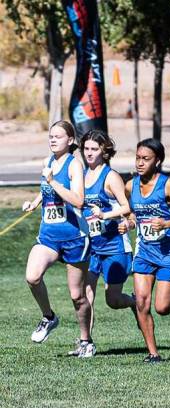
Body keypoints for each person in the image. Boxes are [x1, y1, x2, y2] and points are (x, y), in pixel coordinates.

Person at [120, 139, 170, 362]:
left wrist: (165, 224)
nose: (140, 163)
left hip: (169, 253)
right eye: (138, 158)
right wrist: (129, 223)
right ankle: (153, 353)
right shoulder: (130, 186)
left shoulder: (167, 185)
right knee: (141, 303)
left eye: (146, 159)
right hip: (145, 252)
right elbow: (132, 213)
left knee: (162, 308)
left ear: (158, 161)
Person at [22, 120, 92, 354]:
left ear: (70, 141)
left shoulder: (74, 165)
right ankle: (48, 316)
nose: (52, 139)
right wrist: (34, 202)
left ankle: (85, 341)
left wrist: (52, 180)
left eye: (58, 136)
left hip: (74, 237)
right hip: (49, 236)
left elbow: (79, 200)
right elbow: (46, 190)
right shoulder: (48, 161)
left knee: (77, 296)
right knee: (32, 277)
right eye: (50, 136)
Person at [78, 130, 136, 357]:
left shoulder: (110, 177)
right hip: (92, 247)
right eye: (86, 149)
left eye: (94, 149)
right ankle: (86, 342)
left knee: (113, 300)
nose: (89, 153)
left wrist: (105, 214)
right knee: (85, 293)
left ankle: (132, 302)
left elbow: (126, 208)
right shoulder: (81, 175)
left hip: (114, 246)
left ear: (104, 151)